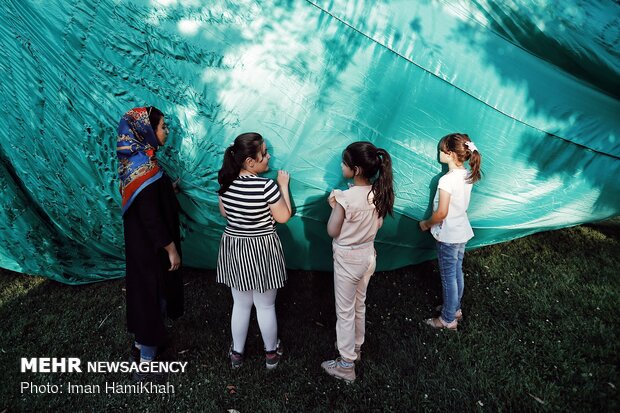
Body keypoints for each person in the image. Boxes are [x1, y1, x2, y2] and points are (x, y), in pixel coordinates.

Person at [117, 106, 184, 380]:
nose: (166, 131)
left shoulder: (137, 163)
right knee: (152, 297)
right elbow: (151, 218)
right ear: (146, 131)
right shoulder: (143, 171)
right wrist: (171, 250)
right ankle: (146, 363)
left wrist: (169, 189)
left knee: (144, 294)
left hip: (140, 247)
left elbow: (151, 199)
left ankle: (139, 346)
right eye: (162, 127)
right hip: (152, 250)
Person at [216, 132, 292, 370]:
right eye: (265, 153)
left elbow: (224, 214)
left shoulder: (226, 185)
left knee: (240, 304)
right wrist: (283, 187)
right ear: (250, 162)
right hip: (262, 248)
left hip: (235, 247)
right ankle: (271, 354)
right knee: (266, 305)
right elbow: (284, 216)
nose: (269, 157)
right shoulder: (267, 186)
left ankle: (237, 354)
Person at [321, 141, 394, 383]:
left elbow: (333, 230)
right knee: (359, 304)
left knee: (344, 311)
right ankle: (356, 348)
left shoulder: (345, 198)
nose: (341, 166)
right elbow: (378, 224)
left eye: (344, 163)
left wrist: (334, 205)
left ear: (356, 170)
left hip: (347, 260)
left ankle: (345, 365)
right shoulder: (378, 193)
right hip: (368, 257)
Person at [419, 133, 482, 330]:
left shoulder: (446, 180)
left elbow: (442, 213)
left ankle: (447, 320)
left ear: (451, 154)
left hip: (448, 234)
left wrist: (426, 224)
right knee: (456, 272)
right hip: (461, 231)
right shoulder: (467, 175)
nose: (439, 153)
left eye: (441, 150)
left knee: (448, 277)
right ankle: (454, 308)